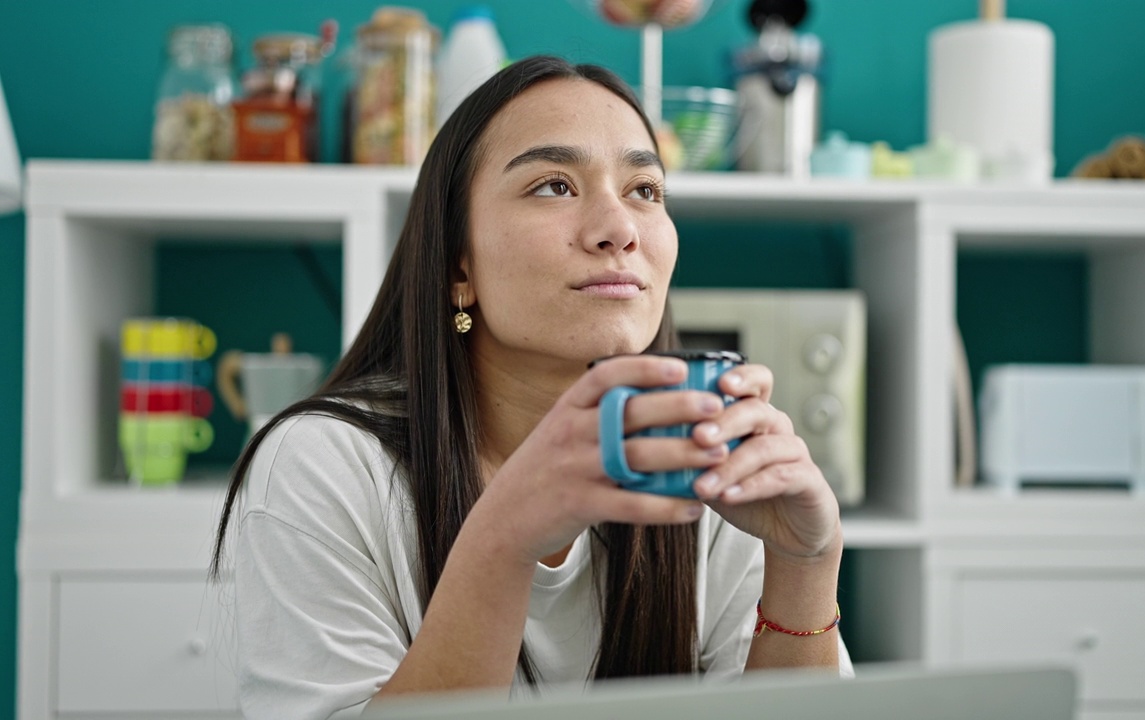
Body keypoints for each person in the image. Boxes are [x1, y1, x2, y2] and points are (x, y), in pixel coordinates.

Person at [211, 54, 852, 720]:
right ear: (458, 265)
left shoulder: (703, 460)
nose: (620, 230)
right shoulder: (323, 465)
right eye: (553, 185)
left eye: (645, 190)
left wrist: (805, 563)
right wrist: (502, 540)